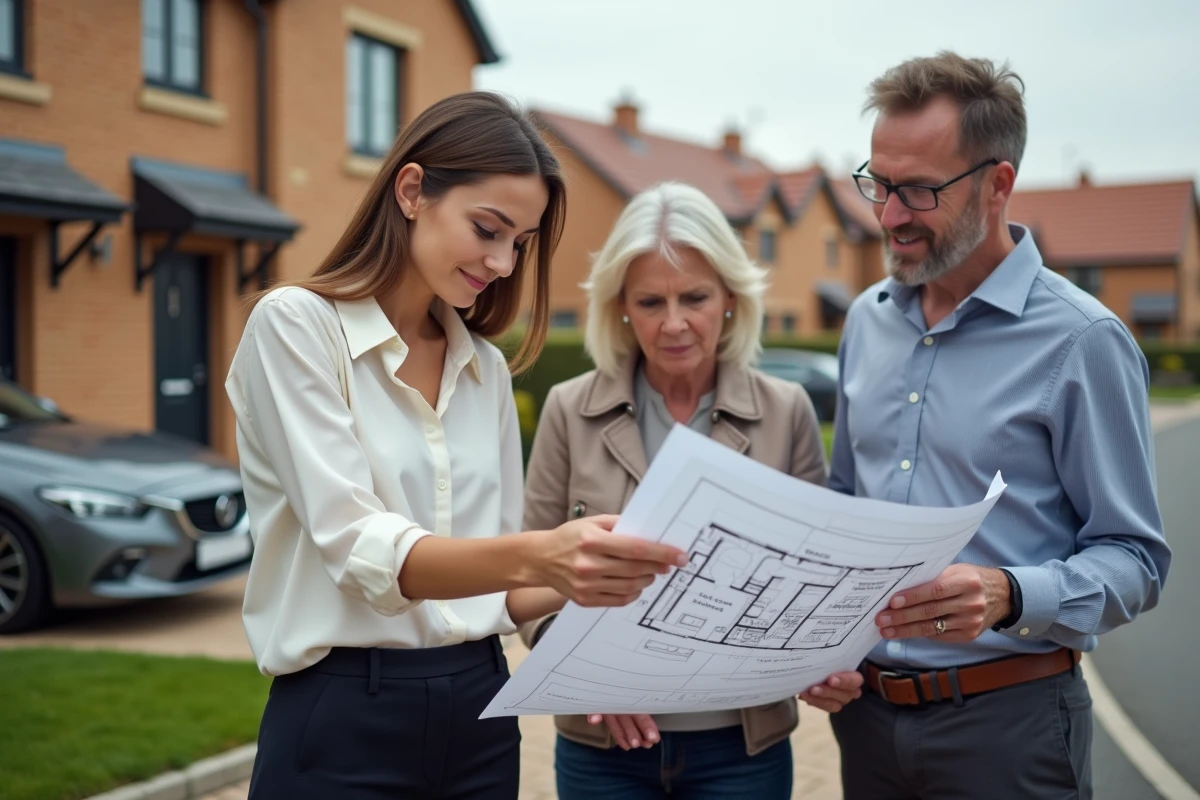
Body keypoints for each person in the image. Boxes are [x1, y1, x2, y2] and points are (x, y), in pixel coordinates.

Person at [224, 92, 689, 800]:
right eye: (488, 229)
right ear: (412, 191)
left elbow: (500, 583)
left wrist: (607, 570)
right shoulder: (296, 327)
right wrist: (544, 552)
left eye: (520, 243)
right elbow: (359, 548)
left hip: (481, 711)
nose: (503, 262)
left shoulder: (485, 368)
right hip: (343, 713)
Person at [829, 52, 1172, 799]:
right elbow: (844, 504)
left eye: (918, 191)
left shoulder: (1083, 341)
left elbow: (1138, 561)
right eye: (878, 183)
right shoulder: (865, 321)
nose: (888, 216)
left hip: (1010, 726)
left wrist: (1010, 592)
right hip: (864, 720)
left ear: (998, 184)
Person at [519, 181, 865, 800]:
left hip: (741, 749)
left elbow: (818, 575)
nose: (674, 323)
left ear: (730, 297)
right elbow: (528, 578)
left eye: (695, 297)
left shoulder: (786, 410)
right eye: (651, 301)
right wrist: (583, 676)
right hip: (602, 746)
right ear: (621, 307)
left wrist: (824, 667)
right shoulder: (569, 409)